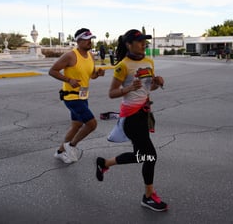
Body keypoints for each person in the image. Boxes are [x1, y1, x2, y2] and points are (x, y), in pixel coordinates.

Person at [95, 29, 168, 212]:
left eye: (145, 41)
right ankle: (148, 196)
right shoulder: (123, 66)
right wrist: (128, 88)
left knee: (140, 156)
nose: (144, 44)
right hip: (131, 117)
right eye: (140, 41)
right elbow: (111, 93)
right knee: (150, 156)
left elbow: (147, 88)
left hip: (144, 114)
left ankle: (105, 163)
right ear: (129, 44)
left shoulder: (149, 61)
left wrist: (157, 83)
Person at [49, 28, 105, 163]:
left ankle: (60, 152)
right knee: (92, 124)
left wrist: (97, 74)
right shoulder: (70, 56)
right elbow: (52, 71)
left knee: (76, 126)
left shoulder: (91, 56)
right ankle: (71, 146)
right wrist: (68, 80)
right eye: (87, 40)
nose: (90, 42)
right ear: (78, 41)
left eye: (91, 39)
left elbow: (90, 75)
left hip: (83, 95)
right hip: (71, 97)